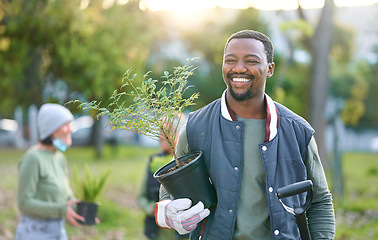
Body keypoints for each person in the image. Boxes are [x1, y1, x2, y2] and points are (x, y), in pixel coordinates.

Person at [155, 30, 336, 240]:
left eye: (251, 61)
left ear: (270, 69)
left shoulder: (298, 131)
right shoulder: (196, 127)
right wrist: (169, 211)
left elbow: (320, 200)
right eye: (230, 60)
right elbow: (171, 186)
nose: (239, 68)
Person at [15, 103, 84, 240]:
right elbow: (23, 202)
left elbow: (65, 193)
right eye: (65, 125)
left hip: (58, 231)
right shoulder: (33, 159)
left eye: (70, 124)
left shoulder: (59, 157)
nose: (71, 129)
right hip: (35, 233)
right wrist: (61, 210)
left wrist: (80, 209)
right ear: (51, 130)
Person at [137, 116, 189, 240]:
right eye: (161, 132)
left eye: (167, 132)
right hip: (157, 233)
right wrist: (152, 209)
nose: (161, 136)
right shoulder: (154, 161)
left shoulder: (188, 162)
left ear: (180, 133)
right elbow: (141, 198)